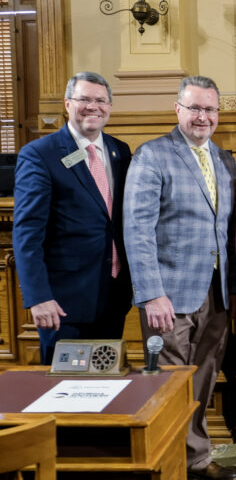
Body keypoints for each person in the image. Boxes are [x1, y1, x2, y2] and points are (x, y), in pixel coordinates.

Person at [123, 76, 236, 480]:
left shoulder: (225, 160)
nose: (202, 116)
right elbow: (137, 229)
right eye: (195, 108)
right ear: (178, 110)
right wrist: (151, 294)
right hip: (169, 294)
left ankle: (195, 459)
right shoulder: (152, 155)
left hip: (217, 291)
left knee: (204, 376)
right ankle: (169, 464)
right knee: (168, 383)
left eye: (210, 109)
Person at [13, 71, 132, 364]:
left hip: (113, 297)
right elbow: (27, 234)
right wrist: (38, 297)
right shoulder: (40, 154)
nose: (93, 107)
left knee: (105, 388)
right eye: (84, 99)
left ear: (110, 107)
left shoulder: (120, 151)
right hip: (63, 303)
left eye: (101, 100)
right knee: (65, 392)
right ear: (68, 104)